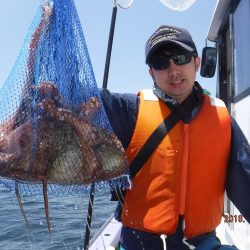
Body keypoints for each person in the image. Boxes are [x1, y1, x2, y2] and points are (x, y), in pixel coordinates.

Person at [99, 25, 250, 249]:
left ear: (196, 62)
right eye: (161, 63)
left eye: (181, 58)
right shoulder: (129, 110)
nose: (173, 71)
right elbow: (81, 101)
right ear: (151, 72)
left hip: (202, 241)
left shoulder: (222, 118)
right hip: (141, 240)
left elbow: (245, 178)